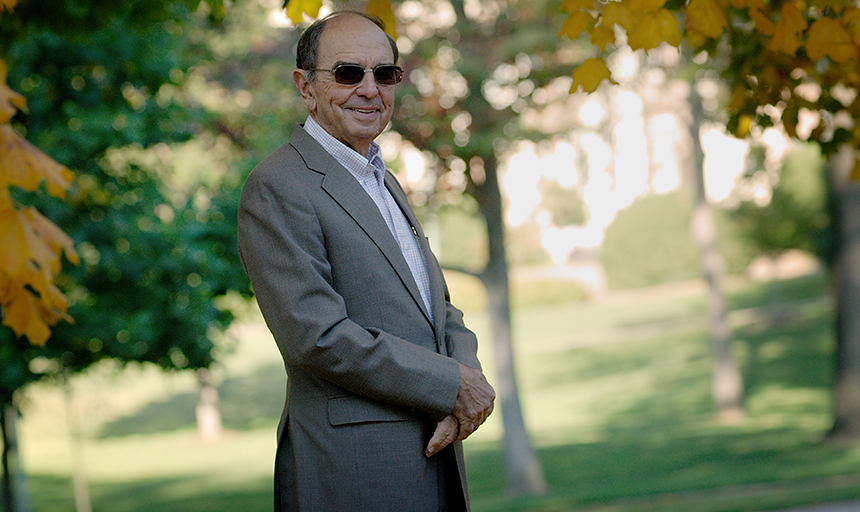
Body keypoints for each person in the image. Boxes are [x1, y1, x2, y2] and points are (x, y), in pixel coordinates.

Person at [237, 10, 495, 512]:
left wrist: (469, 381)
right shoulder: (277, 187)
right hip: (353, 471)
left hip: (436, 454)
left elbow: (436, 307)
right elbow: (317, 337)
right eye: (349, 73)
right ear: (306, 86)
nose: (369, 88)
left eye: (385, 73)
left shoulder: (385, 179)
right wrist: (449, 384)